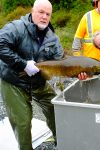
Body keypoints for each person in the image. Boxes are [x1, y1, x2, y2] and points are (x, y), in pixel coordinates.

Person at [0, 0, 73, 149]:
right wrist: (23, 64)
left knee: (55, 108)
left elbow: (61, 62)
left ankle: (63, 143)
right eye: (41, 12)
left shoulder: (52, 38)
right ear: (32, 11)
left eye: (48, 14)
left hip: (38, 81)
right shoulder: (16, 28)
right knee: (23, 122)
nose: (44, 16)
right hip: (14, 81)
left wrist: (77, 72)